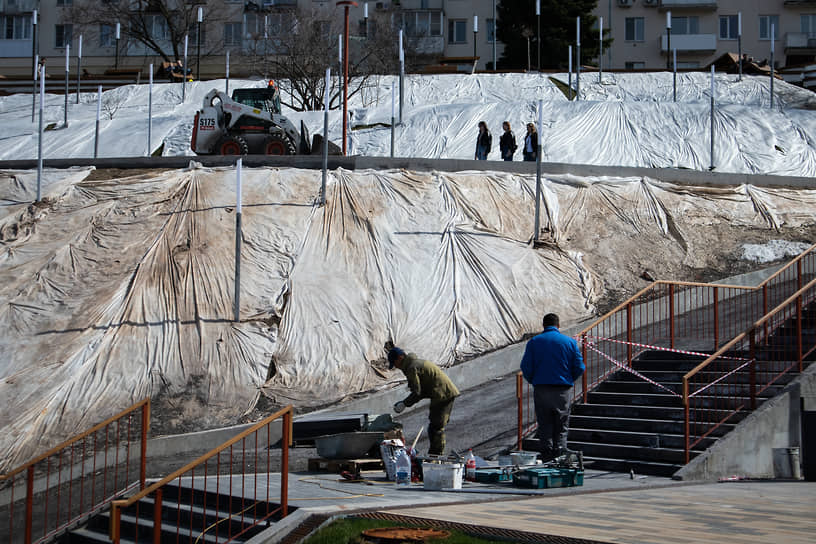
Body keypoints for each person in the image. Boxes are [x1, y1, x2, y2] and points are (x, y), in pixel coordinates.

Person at [520, 313, 585, 462]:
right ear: (558, 325)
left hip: (541, 388)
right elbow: (580, 367)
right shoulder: (569, 342)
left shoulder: (534, 342)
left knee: (544, 422)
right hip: (562, 389)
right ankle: (560, 453)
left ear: (543, 325)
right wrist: (569, 379)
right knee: (561, 423)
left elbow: (526, 367)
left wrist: (534, 380)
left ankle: (546, 454)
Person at [389, 347, 460, 456]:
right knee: (435, 426)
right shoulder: (416, 363)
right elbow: (422, 390)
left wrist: (404, 404)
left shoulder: (412, 368)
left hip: (442, 395)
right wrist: (405, 402)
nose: (396, 366)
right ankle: (435, 455)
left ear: (400, 357)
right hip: (442, 393)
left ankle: (436, 457)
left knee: (436, 428)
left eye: (395, 363)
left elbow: (417, 392)